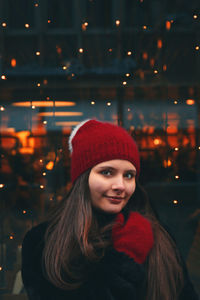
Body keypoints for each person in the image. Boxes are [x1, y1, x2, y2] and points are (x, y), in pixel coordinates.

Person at [21, 119, 199, 300]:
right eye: (107, 172)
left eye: (129, 175)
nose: (121, 185)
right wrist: (122, 262)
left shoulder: (159, 236)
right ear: (82, 178)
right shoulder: (43, 242)